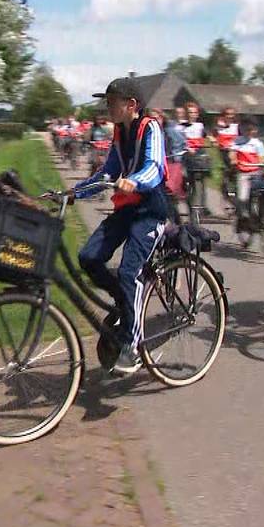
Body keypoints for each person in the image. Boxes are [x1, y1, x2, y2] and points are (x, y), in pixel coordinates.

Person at [73, 78, 169, 375]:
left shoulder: (149, 127)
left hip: (149, 211)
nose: (107, 107)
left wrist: (134, 181)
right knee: (88, 257)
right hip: (126, 209)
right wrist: (73, 193)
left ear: (131, 105)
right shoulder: (119, 132)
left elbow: (155, 167)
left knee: (129, 271)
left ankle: (132, 346)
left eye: (112, 101)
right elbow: (107, 173)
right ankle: (124, 302)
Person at [230, 116, 264, 229]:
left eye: (252, 129)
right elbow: (232, 153)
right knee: (242, 198)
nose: (249, 132)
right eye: (247, 129)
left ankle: (262, 218)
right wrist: (234, 160)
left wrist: (261, 165)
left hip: (255, 172)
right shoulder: (237, 141)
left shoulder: (258, 143)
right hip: (243, 172)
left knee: (263, 194)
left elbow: (261, 159)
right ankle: (243, 217)